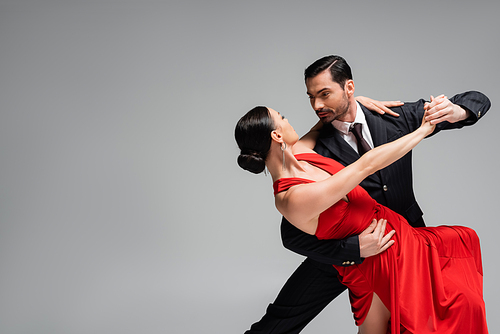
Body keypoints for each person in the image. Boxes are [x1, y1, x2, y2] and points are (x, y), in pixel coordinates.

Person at [244, 55, 491, 333]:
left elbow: (476, 99)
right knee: (281, 321)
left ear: (348, 88)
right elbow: (291, 234)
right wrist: (354, 250)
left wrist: (457, 111)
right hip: (342, 254)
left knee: (436, 313)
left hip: (402, 240)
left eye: (324, 94)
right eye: (311, 97)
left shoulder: (394, 117)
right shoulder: (309, 152)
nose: (317, 106)